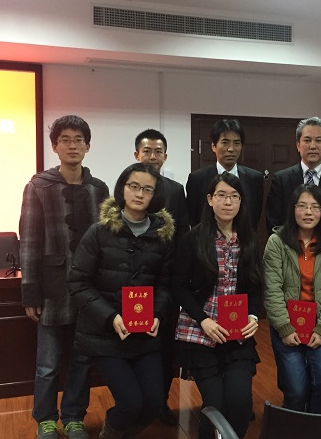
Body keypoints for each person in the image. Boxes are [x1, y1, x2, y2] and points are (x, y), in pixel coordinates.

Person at [67, 163, 174, 439]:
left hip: (145, 336)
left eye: (147, 189)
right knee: (130, 403)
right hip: (106, 336)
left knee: (154, 403)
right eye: (133, 186)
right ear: (122, 188)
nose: (139, 194)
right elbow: (78, 283)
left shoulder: (162, 237)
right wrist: (110, 317)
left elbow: (165, 285)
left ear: (155, 195)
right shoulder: (99, 232)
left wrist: (158, 314)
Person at [20, 115, 109, 439]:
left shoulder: (99, 189)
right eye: (66, 140)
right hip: (52, 289)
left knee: (82, 361)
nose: (73, 146)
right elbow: (29, 241)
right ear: (55, 146)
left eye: (78, 140)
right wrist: (30, 293)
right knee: (47, 363)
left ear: (88, 146)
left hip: (90, 291)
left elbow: (106, 241)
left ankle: (73, 417)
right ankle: (45, 419)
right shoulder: (38, 187)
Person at [174, 172, 262, 439]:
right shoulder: (193, 239)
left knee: (241, 405)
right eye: (221, 195)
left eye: (234, 196)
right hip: (202, 332)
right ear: (210, 199)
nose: (228, 202)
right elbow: (179, 288)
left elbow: (256, 286)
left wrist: (253, 316)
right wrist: (204, 320)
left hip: (237, 333)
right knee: (215, 407)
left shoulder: (249, 240)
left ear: (241, 202)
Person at [263, 184, 321, 414]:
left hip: (320, 326)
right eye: (302, 206)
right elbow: (272, 289)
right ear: (293, 209)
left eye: (315, 207)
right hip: (287, 326)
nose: (308, 212)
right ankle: (295, 426)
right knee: (297, 391)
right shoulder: (277, 242)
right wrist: (284, 327)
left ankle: (318, 428)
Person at [134, 128, 189, 425]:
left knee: (166, 343)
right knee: (136, 341)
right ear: (137, 155)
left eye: (158, 152)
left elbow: (182, 236)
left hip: (166, 281)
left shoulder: (176, 190)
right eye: (147, 151)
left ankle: (162, 402)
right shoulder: (127, 187)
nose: (152, 157)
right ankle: (137, 404)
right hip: (134, 280)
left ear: (165, 156)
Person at [265, 117, 321, 234]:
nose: (313, 146)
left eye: (318, 140)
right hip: (288, 244)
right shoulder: (281, 179)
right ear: (298, 145)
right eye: (307, 140)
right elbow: (273, 220)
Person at [186, 119, 264, 229]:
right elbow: (194, 219)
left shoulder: (254, 178)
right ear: (213, 146)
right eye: (225, 142)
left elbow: (255, 217)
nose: (231, 149)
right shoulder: (197, 179)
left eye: (236, 143)